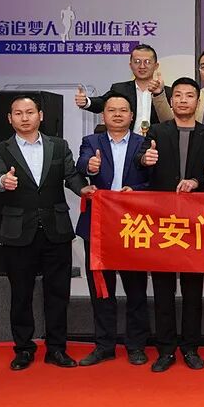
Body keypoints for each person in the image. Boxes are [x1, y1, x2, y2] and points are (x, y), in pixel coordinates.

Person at [0, 96, 92, 371]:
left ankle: (56, 349)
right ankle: (23, 349)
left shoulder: (59, 145)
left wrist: (83, 189)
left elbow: (71, 176)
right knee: (21, 294)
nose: (25, 118)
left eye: (30, 112)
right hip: (18, 233)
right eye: (18, 113)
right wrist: (3, 180)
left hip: (56, 231)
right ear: (10, 118)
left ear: (40, 115)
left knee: (58, 294)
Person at [137, 77, 204, 372]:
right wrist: (144, 160)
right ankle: (166, 350)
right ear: (171, 101)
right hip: (163, 223)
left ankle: (191, 347)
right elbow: (140, 165)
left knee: (193, 291)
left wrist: (201, 179)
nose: (183, 100)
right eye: (179, 96)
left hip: (195, 224)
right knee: (162, 290)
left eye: (189, 96)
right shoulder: (156, 132)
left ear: (197, 102)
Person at [74, 92, 151, 367]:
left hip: (133, 225)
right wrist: (89, 165)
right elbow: (81, 163)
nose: (117, 114)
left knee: (136, 290)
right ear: (103, 115)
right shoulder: (91, 142)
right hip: (99, 225)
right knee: (102, 289)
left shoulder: (144, 144)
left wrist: (136, 191)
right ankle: (104, 345)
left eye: (123, 110)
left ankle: (136, 345)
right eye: (111, 110)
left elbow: (153, 182)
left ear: (132, 116)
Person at [74, 43, 173, 132]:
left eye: (147, 62)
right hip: (128, 142)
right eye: (137, 61)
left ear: (156, 66)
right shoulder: (120, 89)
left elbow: (172, 122)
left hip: (157, 143)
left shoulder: (166, 92)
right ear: (130, 65)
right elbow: (103, 102)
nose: (142, 66)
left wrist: (159, 93)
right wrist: (86, 102)